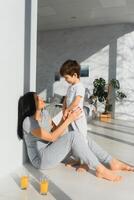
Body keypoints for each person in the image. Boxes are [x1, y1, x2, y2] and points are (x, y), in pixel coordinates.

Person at [17, 92, 134, 182]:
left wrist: (64, 116)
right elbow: (52, 137)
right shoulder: (28, 122)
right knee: (73, 136)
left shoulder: (45, 113)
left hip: (51, 150)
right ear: (31, 104)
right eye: (37, 98)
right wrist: (69, 120)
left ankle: (111, 161)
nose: (41, 98)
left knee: (82, 138)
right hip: (41, 159)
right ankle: (100, 170)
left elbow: (54, 130)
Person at [59, 60, 88, 170]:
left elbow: (76, 102)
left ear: (75, 75)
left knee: (81, 138)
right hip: (71, 117)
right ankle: (77, 158)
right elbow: (66, 99)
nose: (66, 80)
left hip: (78, 117)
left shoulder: (80, 86)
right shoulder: (70, 87)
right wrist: (63, 109)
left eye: (66, 78)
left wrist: (68, 110)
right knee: (73, 138)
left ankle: (85, 162)